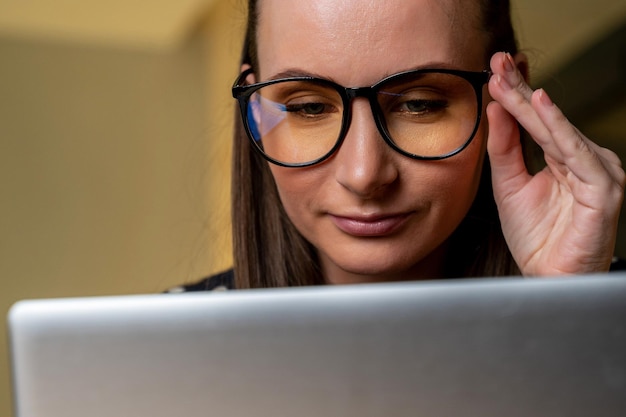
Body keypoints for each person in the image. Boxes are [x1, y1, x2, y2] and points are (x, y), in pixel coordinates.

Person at [173, 0, 625, 292]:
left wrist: (567, 314)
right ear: (256, 112)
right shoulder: (164, 361)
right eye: (309, 108)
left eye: (419, 104)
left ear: (509, 97)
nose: (364, 174)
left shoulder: (597, 319)